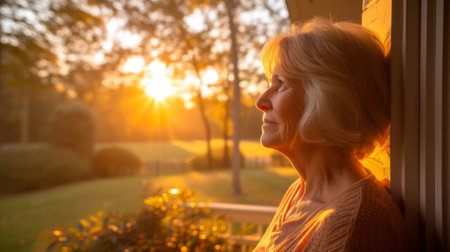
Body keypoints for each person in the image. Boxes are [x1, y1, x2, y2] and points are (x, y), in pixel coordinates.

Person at [254, 18, 408, 251]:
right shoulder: (300, 191)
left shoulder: (354, 225)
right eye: (269, 83)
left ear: (329, 98)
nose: (261, 102)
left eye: (282, 83)